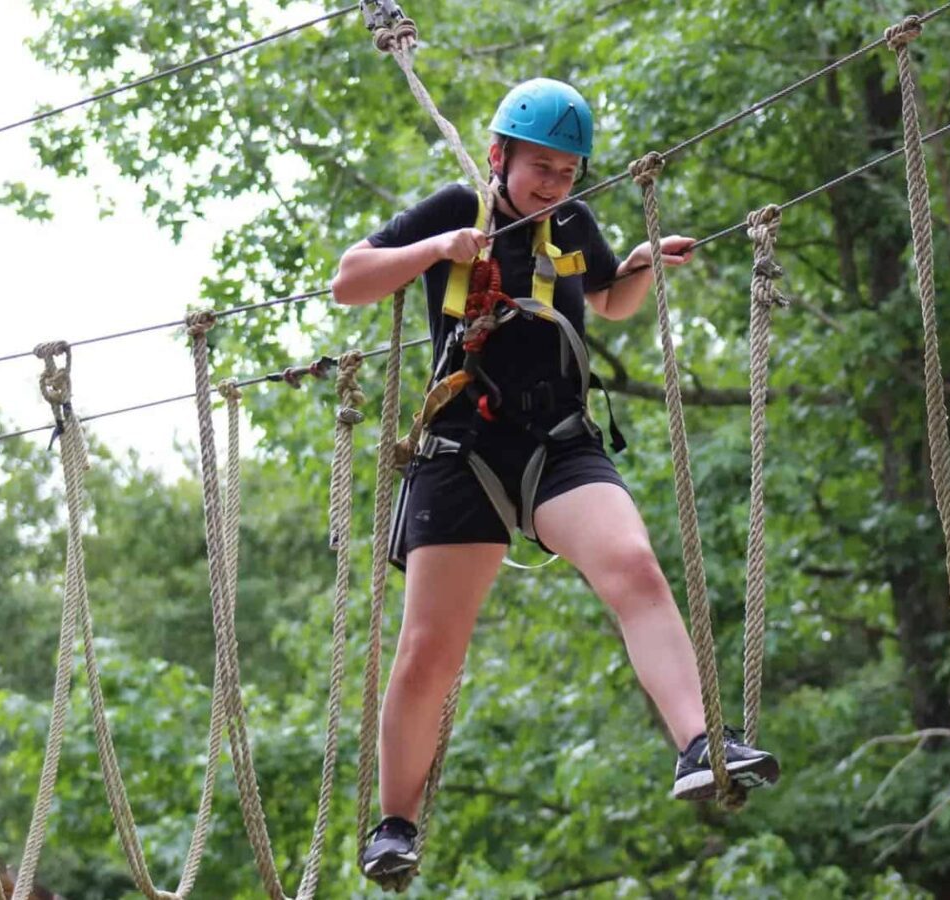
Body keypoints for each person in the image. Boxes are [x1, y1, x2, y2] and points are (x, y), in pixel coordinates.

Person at [330, 77, 779, 881]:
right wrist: (437, 251)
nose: (555, 185)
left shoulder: (572, 220)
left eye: (568, 171)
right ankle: (395, 823)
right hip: (462, 445)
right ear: (498, 156)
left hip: (557, 440)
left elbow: (606, 300)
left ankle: (698, 744)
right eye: (542, 168)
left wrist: (640, 266)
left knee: (636, 568)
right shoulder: (453, 208)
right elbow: (350, 278)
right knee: (431, 650)